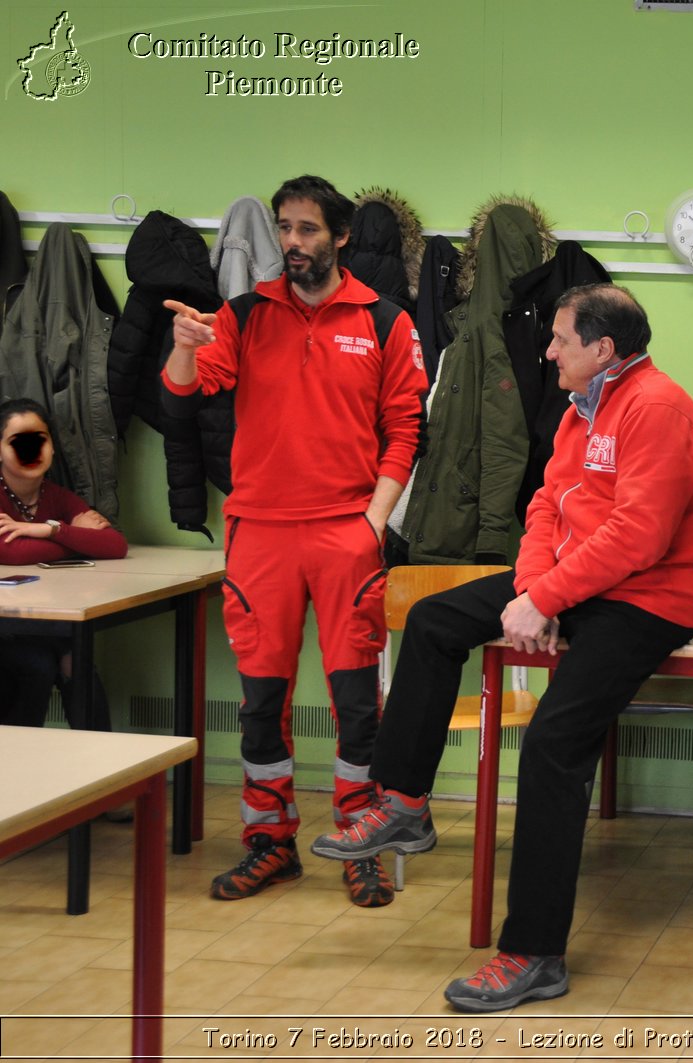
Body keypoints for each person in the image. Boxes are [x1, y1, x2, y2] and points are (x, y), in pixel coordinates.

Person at [310, 283, 693, 1012]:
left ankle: (533, 953)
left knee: (555, 742)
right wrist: (533, 590)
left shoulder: (657, 407)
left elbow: (640, 536)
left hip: (649, 599)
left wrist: (548, 598)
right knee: (436, 621)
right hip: (575, 582)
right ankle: (403, 798)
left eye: (561, 339)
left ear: (604, 349)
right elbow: (544, 505)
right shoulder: (577, 410)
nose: (548, 349)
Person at [161, 175, 427, 907]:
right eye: (284, 228)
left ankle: (358, 839)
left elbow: (405, 430)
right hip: (261, 537)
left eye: (308, 229)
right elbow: (185, 392)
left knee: (356, 704)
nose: (292, 243)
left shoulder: (385, 321)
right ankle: (269, 842)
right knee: (260, 702)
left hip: (346, 534)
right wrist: (185, 345)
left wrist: (373, 520)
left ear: (340, 237)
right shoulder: (243, 314)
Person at [0, 397, 127, 728]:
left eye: (40, 439)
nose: (33, 449)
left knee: (72, 657)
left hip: (42, 620)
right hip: (6, 622)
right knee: (50, 658)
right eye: (19, 442)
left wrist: (47, 529)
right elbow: (12, 554)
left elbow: (114, 544)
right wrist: (74, 538)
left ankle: (102, 770)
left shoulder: (54, 495)